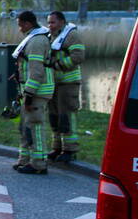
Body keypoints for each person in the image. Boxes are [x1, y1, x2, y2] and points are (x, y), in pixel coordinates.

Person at [12, 10, 54, 174]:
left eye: (20, 25)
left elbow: (36, 72)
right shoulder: (34, 38)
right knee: (25, 126)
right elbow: (30, 67)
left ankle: (38, 164)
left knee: (35, 126)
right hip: (31, 90)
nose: (19, 29)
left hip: (37, 92)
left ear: (28, 23)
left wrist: (29, 94)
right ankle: (25, 160)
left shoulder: (36, 41)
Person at [46, 11, 85, 163]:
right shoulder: (51, 37)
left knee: (67, 116)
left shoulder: (71, 35)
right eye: (48, 23)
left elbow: (78, 56)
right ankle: (57, 147)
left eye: (53, 22)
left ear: (62, 22)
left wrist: (58, 65)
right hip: (54, 83)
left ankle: (70, 149)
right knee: (54, 116)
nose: (50, 26)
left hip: (68, 83)